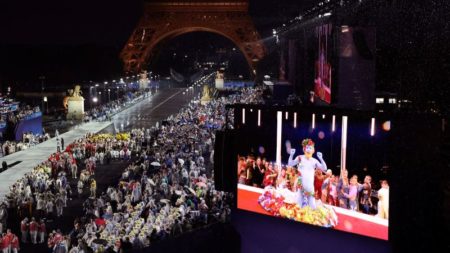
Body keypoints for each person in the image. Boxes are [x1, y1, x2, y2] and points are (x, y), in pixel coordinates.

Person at [288, 139, 327, 209]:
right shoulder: (300, 158)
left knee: (313, 208)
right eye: (307, 148)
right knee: (298, 207)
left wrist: (321, 159)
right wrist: (291, 155)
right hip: (301, 187)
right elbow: (290, 163)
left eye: (310, 148)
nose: (308, 150)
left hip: (310, 189)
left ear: (313, 150)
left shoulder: (314, 161)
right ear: (304, 149)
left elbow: (324, 168)